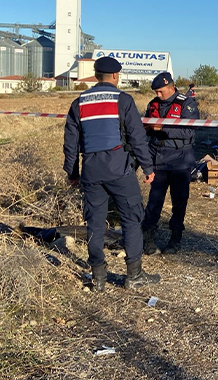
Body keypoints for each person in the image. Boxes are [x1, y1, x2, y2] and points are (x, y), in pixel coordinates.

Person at [63, 57, 159, 292]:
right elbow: (137, 137)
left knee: (94, 223)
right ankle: (134, 275)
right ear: (115, 76)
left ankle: (98, 279)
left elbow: (71, 143)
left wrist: (72, 173)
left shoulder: (79, 103)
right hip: (119, 169)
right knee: (131, 219)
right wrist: (148, 168)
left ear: (96, 75)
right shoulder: (123, 100)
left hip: (91, 171)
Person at [142, 72, 200, 256]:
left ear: (171, 87)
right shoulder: (153, 105)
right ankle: (148, 237)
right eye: (156, 92)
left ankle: (175, 238)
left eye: (161, 91)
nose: (158, 95)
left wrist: (163, 128)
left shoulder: (186, 103)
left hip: (180, 160)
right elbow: (146, 129)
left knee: (179, 201)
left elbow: (189, 131)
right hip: (158, 159)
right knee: (154, 201)